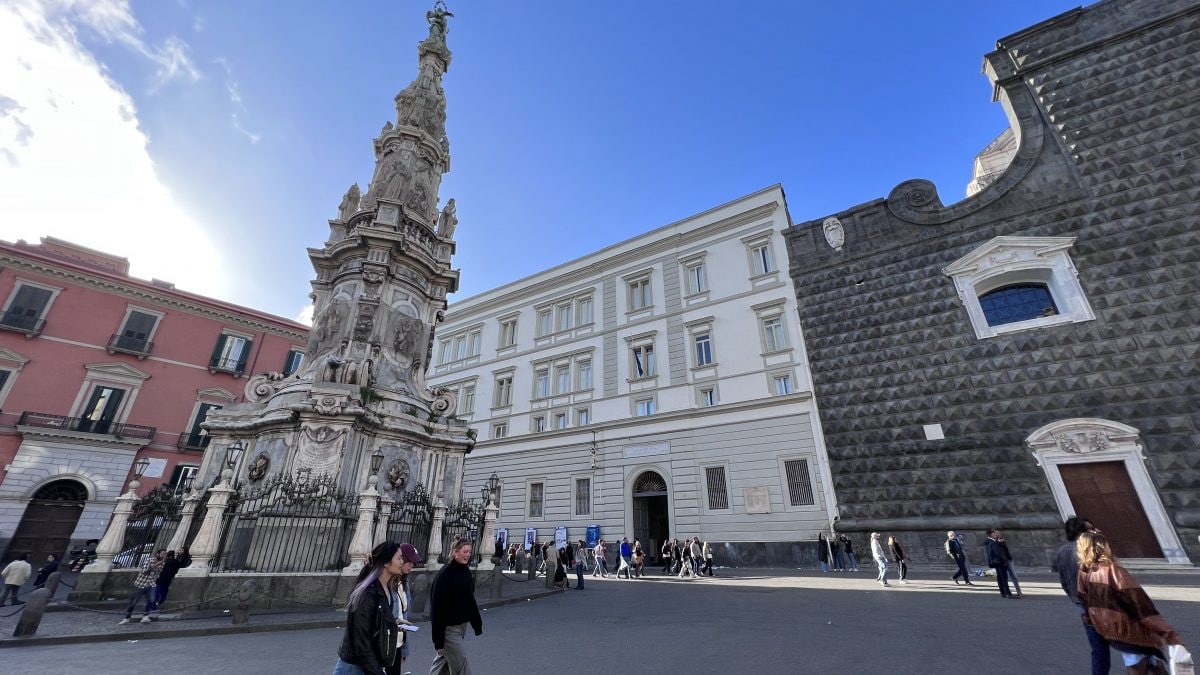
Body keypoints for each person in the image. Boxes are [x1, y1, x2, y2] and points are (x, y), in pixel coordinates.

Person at [1076, 530, 1186, 674]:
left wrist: (1095, 623)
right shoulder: (1113, 571)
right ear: (1103, 547)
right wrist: (1169, 633)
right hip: (1129, 631)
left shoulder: (1084, 571)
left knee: (1143, 661)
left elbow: (1084, 601)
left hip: (1110, 630)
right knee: (1141, 663)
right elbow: (1141, 606)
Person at [332, 541, 414, 675]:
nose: (402, 562)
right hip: (355, 668)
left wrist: (394, 623)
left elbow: (375, 621)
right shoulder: (368, 593)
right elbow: (361, 642)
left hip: (370, 665)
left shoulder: (386, 588)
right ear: (386, 563)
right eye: (399, 558)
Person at [1051, 516, 1110, 675]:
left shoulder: (1062, 551)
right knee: (1132, 642)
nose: (1095, 531)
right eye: (1090, 529)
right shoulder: (1090, 549)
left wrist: (1075, 598)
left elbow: (1063, 580)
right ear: (1081, 532)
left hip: (1082, 604)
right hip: (1104, 602)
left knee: (1098, 648)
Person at [429, 537, 482, 675]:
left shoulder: (466, 572)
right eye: (465, 551)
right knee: (461, 665)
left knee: (443, 664)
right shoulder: (445, 574)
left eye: (469, 552)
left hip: (461, 626)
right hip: (448, 629)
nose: (467, 555)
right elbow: (436, 609)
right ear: (455, 552)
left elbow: (470, 600)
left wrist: (477, 623)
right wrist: (438, 640)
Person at [119, 550, 165, 624]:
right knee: (133, 602)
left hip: (151, 584)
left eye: (165, 555)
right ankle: (127, 618)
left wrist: (159, 565)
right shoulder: (149, 560)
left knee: (151, 600)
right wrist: (156, 564)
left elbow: (158, 574)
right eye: (162, 554)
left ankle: (145, 616)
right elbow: (145, 572)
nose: (164, 556)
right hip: (140, 584)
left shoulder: (162, 564)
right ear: (157, 554)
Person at [985, 529, 1014, 599]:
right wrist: (1004, 562)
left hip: (996, 562)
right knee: (1004, 578)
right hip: (999, 562)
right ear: (991, 534)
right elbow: (998, 553)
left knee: (1000, 578)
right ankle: (1008, 593)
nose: (996, 535)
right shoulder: (993, 542)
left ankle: (1003, 593)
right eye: (995, 533)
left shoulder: (989, 542)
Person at [998, 533, 1023, 598]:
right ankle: (1005, 592)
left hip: (1008, 559)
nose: (999, 535)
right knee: (1002, 577)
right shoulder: (994, 543)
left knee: (1013, 576)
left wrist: (1002, 543)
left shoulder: (1002, 542)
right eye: (997, 534)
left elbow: (1005, 551)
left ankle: (1018, 590)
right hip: (1002, 561)